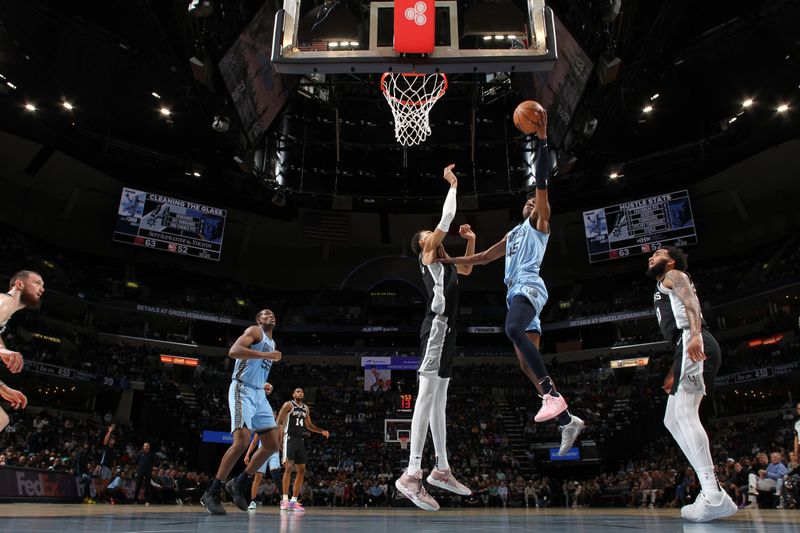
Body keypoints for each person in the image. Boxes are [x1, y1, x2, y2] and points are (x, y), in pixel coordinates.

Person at [438, 111, 584, 456]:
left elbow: (542, 182)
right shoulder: (514, 233)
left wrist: (542, 139)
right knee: (522, 359)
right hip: (515, 292)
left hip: (528, 285)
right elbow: (485, 258)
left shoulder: (540, 225)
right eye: (529, 201)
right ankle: (567, 421)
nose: (532, 202)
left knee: (512, 329)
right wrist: (451, 259)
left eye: (536, 201)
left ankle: (551, 395)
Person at [394, 164, 475, 512]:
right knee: (426, 395)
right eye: (431, 235)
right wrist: (453, 184)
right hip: (437, 328)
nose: (437, 237)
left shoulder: (449, 265)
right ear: (424, 244)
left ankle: (441, 468)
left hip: (450, 331)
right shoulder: (428, 257)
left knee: (439, 398)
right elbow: (447, 217)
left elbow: (470, 266)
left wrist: (470, 239)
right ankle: (412, 472)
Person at [646, 245, 737, 521]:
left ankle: (712, 493)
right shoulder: (664, 283)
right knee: (671, 420)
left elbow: (691, 305)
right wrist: (676, 367)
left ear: (670, 261)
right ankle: (713, 492)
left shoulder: (674, 275)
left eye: (658, 253)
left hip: (692, 340)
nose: (652, 255)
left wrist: (695, 335)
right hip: (683, 346)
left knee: (685, 414)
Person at [200, 309, 283, 515]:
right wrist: (265, 355)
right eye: (265, 314)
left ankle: (239, 482)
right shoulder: (255, 331)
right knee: (242, 442)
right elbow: (234, 351)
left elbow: (255, 368)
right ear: (258, 320)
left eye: (272, 314)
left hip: (258, 393)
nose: (270, 315)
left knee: (273, 445)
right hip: (242, 390)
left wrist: (263, 384)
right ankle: (212, 492)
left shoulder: (272, 344)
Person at [0, 270, 44, 430]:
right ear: (19, 284)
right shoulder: (5, 301)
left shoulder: (6, 310)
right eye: (37, 283)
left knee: (2, 419)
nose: (42, 289)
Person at [276, 386, 330, 512]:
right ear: (293, 394)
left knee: (301, 469)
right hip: (288, 437)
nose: (299, 393)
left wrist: (321, 431)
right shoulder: (288, 405)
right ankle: (284, 500)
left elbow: (309, 425)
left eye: (301, 392)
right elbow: (278, 421)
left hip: (300, 439)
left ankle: (294, 501)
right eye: (297, 391)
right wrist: (279, 440)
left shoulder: (306, 408)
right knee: (288, 467)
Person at [244, 382, 283, 511]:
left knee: (276, 475)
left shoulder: (279, 427)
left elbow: (281, 442)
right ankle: (253, 501)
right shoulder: (261, 424)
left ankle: (284, 500)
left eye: (274, 414)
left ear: (276, 415)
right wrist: (248, 454)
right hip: (262, 451)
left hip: (274, 453)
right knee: (258, 477)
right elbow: (254, 441)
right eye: (270, 413)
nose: (272, 415)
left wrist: (283, 455)